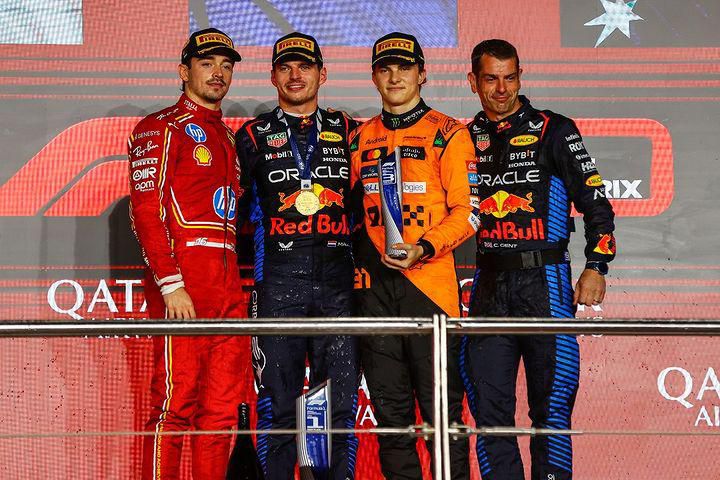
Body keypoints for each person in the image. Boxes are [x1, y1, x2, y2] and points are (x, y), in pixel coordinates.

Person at [462, 39, 616, 480]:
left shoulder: (555, 129)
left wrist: (596, 265)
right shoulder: (462, 138)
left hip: (545, 282)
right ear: (472, 82)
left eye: (510, 78)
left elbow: (596, 202)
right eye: (491, 79)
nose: (502, 89)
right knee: (489, 412)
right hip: (487, 287)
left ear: (520, 77)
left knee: (552, 410)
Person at [349, 32, 479, 479]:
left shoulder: (449, 133)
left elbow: (469, 213)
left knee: (444, 420)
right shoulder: (359, 137)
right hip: (374, 293)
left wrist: (423, 248)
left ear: (422, 74)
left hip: (431, 292)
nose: (395, 77)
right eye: (385, 69)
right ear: (373, 77)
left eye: (404, 68)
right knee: (391, 420)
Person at [234, 32, 360, 480]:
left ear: (322, 74)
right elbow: (231, 214)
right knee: (278, 406)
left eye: (304, 66)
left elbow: (368, 209)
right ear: (272, 76)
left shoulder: (350, 130)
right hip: (277, 285)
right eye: (285, 67)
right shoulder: (251, 136)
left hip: (339, 287)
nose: (295, 75)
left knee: (338, 407)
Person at [128, 28, 247, 480]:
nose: (218, 73)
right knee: (175, 404)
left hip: (228, 289)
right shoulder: (161, 127)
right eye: (207, 63)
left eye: (226, 65)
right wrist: (171, 283)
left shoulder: (228, 137)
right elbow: (146, 212)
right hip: (185, 287)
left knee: (220, 412)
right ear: (184, 71)